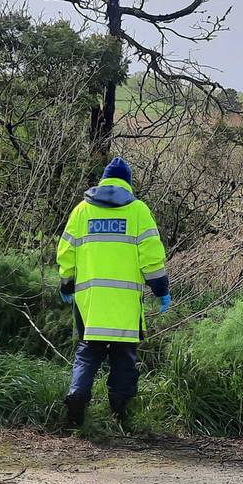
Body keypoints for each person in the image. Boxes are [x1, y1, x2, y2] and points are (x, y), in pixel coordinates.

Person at [56, 156, 170, 429]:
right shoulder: (138, 211)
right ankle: (120, 416)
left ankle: (77, 397)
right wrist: (160, 289)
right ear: (127, 184)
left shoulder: (82, 211)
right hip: (125, 306)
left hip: (90, 304)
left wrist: (66, 284)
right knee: (124, 358)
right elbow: (152, 258)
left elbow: (66, 252)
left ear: (103, 182)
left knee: (87, 352)